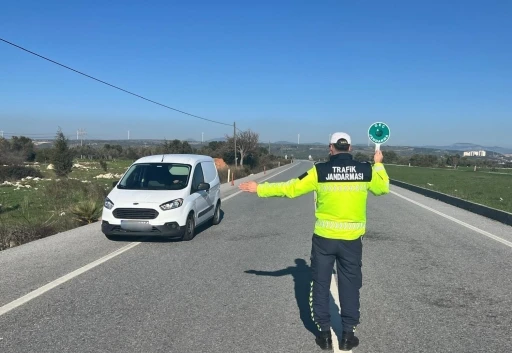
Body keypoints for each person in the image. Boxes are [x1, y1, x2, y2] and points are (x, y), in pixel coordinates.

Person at [238, 132, 390, 351]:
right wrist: (378, 165)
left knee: (320, 284)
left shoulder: (319, 171)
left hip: (324, 240)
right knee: (350, 286)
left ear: (331, 148)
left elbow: (290, 188)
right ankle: (348, 335)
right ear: (350, 147)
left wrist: (259, 188)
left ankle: (325, 335)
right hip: (352, 241)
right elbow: (383, 188)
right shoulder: (365, 169)